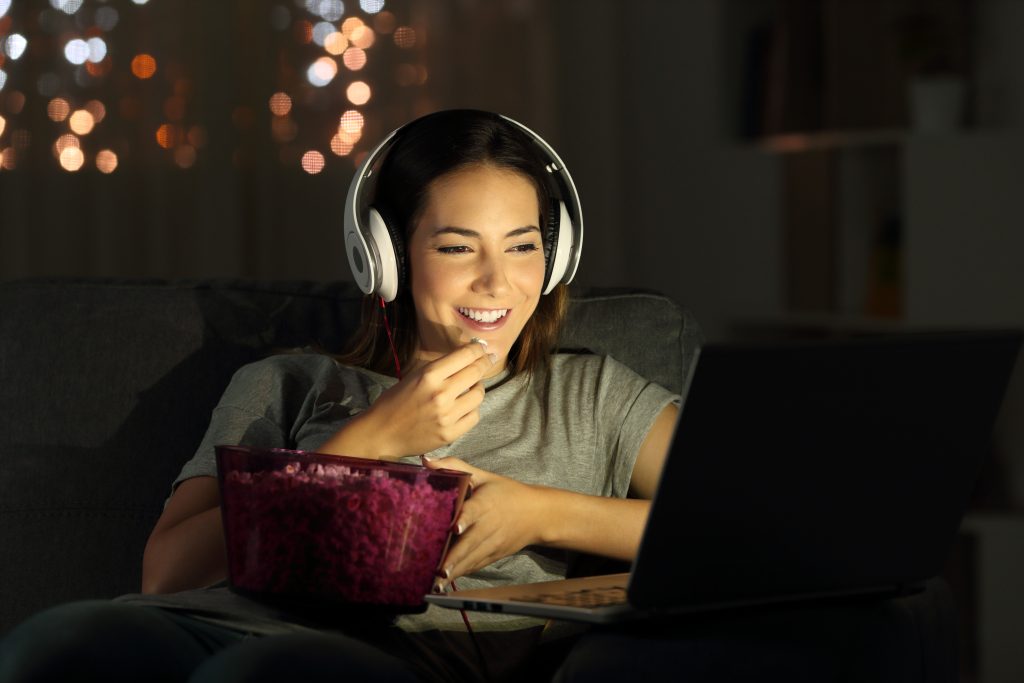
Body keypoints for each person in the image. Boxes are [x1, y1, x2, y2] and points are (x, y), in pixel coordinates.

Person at [0, 109, 679, 683]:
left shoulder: (592, 397)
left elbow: (742, 531)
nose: (497, 283)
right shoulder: (286, 383)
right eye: (456, 247)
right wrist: (368, 442)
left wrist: (540, 514)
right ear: (386, 256)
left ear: (557, 257)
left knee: (270, 673)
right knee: (59, 642)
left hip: (389, 653)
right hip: (196, 625)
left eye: (523, 246)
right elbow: (170, 574)